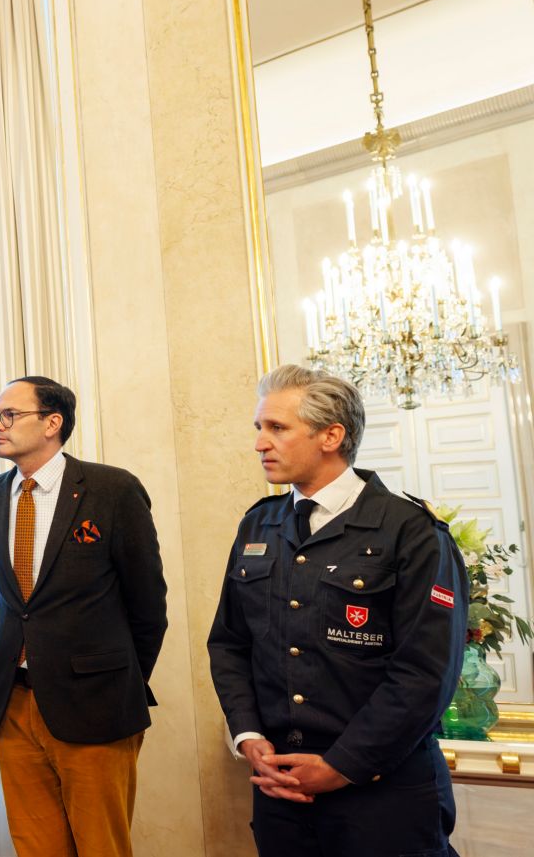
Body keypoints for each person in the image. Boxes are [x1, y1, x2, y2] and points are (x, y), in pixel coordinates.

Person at [209, 364, 467, 857]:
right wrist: (247, 734)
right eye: (259, 428)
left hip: (383, 793)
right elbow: (230, 643)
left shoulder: (409, 530)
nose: (260, 443)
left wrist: (341, 766)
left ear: (332, 435)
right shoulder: (258, 526)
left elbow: (424, 674)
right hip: (281, 789)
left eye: (277, 428)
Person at [0, 375, 168, 857]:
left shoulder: (112, 489)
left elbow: (148, 604)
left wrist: (116, 678)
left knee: (101, 845)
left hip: (94, 701)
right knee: (35, 846)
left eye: (9, 415)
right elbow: (11, 600)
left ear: (52, 423)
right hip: (13, 700)